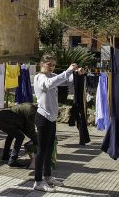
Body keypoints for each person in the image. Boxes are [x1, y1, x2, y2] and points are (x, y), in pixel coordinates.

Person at [32, 54, 84, 192]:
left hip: (52, 118)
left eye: (54, 64)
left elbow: (66, 81)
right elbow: (50, 84)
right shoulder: (39, 77)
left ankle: (48, 177)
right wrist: (67, 71)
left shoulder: (52, 76)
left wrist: (77, 74)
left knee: (50, 149)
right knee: (41, 151)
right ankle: (38, 181)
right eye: (49, 64)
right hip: (43, 118)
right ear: (41, 64)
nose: (52, 67)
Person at [0, 103, 38, 168]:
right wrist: (36, 140)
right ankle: (12, 160)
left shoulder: (30, 106)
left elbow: (25, 127)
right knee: (20, 136)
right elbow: (29, 129)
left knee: (12, 134)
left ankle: (5, 156)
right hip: (2, 117)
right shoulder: (32, 111)